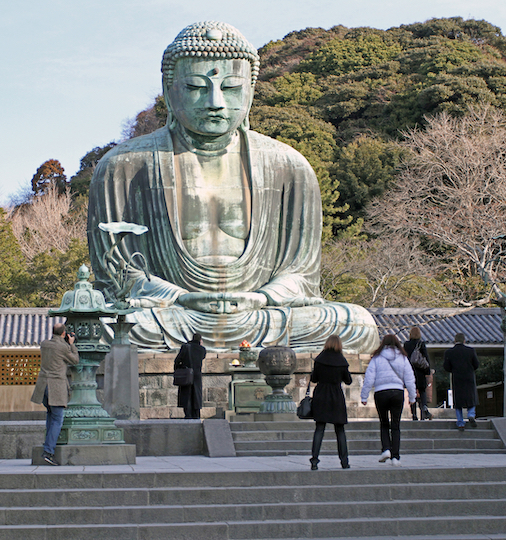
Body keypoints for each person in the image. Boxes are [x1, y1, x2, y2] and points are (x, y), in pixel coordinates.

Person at [87, 21, 379, 353]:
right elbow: (117, 274)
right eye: (197, 87)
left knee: (356, 324)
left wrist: (261, 297)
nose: (214, 102)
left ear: (251, 91)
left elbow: (301, 275)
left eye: (230, 88)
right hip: (173, 315)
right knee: (99, 327)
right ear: (169, 91)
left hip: (260, 315)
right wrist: (180, 297)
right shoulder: (124, 166)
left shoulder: (289, 167)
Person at [360, 334, 416, 466]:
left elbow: (369, 378)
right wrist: (412, 397)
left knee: (384, 422)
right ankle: (396, 457)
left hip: (381, 392)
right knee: (395, 425)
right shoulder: (402, 358)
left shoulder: (377, 358)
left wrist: (364, 396)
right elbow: (409, 378)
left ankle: (386, 449)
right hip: (397, 391)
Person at [30, 323, 77, 466]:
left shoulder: (44, 344)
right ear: (64, 334)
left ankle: (47, 446)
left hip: (43, 386)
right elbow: (75, 360)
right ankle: (48, 451)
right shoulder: (63, 347)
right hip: (56, 387)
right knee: (57, 419)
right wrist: (72, 344)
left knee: (50, 416)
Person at [309, 335, 353, 470]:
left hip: (321, 394)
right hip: (336, 395)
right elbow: (348, 380)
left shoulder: (320, 360)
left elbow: (314, 379)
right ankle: (344, 461)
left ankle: (315, 460)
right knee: (340, 429)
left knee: (319, 428)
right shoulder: (341, 360)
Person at [443, 332, 479, 431]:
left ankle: (460, 422)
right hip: (469, 377)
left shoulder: (449, 352)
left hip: (457, 377)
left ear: (455, 341)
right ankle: (471, 414)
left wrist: (454, 369)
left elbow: (446, 367)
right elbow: (476, 365)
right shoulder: (470, 351)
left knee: (458, 400)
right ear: (464, 340)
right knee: (471, 397)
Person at [175, 333, 207, 419]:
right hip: (197, 374)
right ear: (200, 340)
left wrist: (179, 368)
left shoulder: (185, 347)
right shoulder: (202, 349)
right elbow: (202, 357)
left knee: (186, 394)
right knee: (196, 394)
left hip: (186, 373)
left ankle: (188, 414)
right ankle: (196, 414)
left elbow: (177, 360)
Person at [404, 326, 432, 421]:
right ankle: (424, 408)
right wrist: (428, 371)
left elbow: (404, 358)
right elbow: (426, 358)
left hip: (410, 371)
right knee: (422, 391)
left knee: (412, 393)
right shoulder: (421, 344)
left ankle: (414, 414)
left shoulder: (406, 345)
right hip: (420, 371)